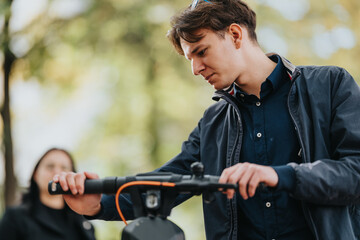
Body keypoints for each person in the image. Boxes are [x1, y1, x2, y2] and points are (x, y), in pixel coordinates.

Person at [53, 0, 360, 239]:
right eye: (190, 59)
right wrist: (97, 205)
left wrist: (280, 175)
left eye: (201, 52)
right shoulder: (213, 123)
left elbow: (354, 171)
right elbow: (168, 183)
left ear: (236, 35)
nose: (195, 69)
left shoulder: (330, 86)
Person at [0, 148, 96, 240]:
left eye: (64, 168)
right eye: (50, 166)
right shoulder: (15, 218)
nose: (57, 172)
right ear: (36, 174)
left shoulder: (84, 225)